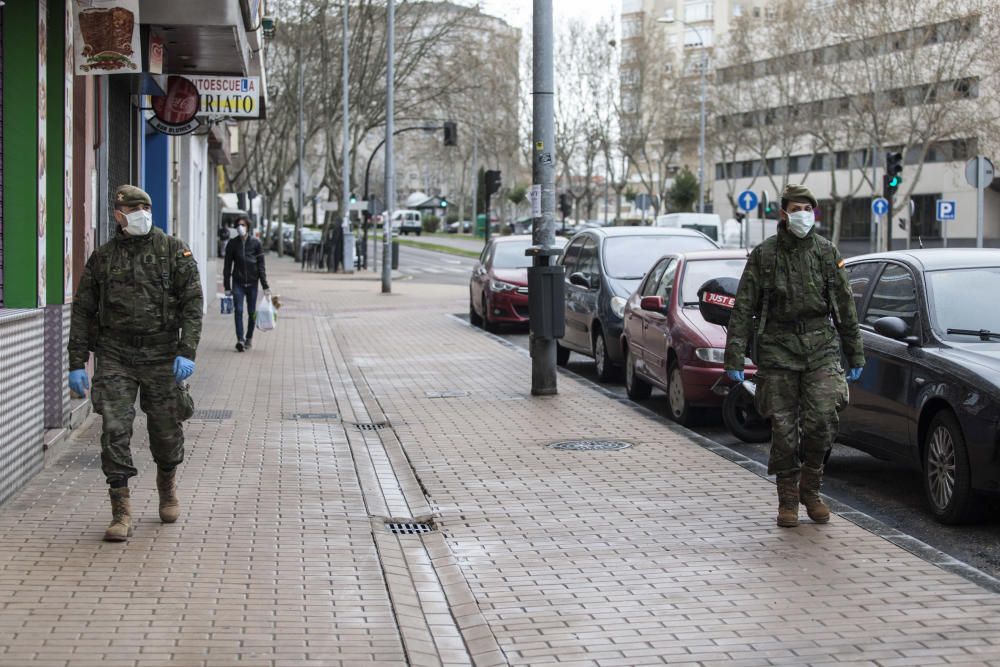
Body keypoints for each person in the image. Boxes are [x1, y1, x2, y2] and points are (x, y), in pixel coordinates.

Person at [67, 184, 203, 542]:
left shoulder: (175, 252)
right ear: (118, 214)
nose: (139, 213)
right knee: (114, 429)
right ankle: (121, 510)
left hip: (161, 355)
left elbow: (192, 305)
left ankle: (167, 483)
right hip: (115, 354)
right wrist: (77, 361)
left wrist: (186, 351)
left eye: (143, 206)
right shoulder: (103, 258)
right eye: (132, 208)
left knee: (165, 429)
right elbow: (83, 311)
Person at [723, 184, 864, 528]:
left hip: (821, 347)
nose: (803, 214)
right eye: (796, 208)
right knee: (784, 430)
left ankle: (811, 489)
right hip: (778, 348)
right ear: (783, 213)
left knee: (822, 422)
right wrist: (735, 358)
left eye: (808, 208)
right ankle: (788, 498)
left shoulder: (827, 253)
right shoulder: (765, 255)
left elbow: (845, 306)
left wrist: (854, 352)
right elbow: (743, 308)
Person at [223, 216, 271, 351]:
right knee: (238, 311)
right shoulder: (232, 244)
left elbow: (261, 267)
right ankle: (240, 340)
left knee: (251, 312)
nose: (240, 227)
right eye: (238, 225)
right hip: (237, 282)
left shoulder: (256, 244)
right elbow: (227, 266)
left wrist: (265, 286)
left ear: (248, 227)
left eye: (243, 225)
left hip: (252, 283)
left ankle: (249, 337)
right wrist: (227, 286)